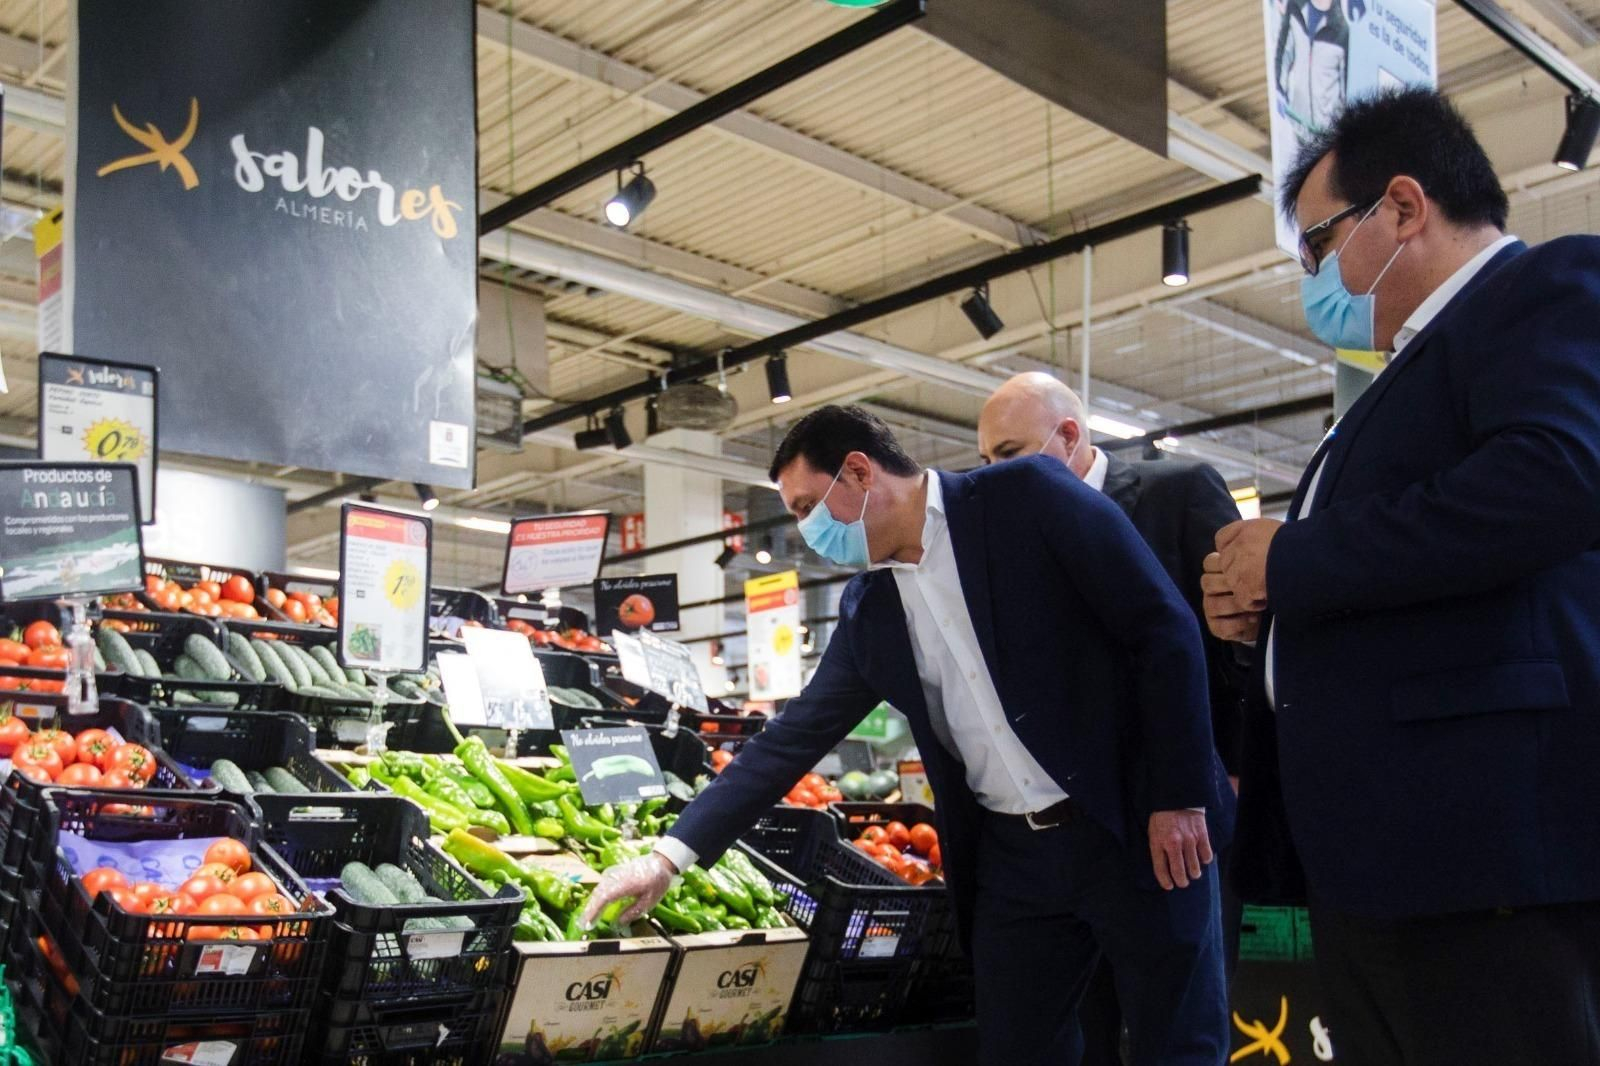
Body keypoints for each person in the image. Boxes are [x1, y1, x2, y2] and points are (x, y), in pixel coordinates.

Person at [586, 404, 1236, 1066]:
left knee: (1178, 1043)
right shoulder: (870, 610)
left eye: (808, 505)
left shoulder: (1026, 496)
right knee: (1018, 1049)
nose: (805, 529)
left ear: (859, 471)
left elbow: (1162, 628)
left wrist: (1178, 795)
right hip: (1015, 859)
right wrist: (668, 857)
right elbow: (791, 738)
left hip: (1134, 822)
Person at [1202, 87, 1600, 1065]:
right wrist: (1275, 614)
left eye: (1317, 244)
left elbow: (1551, 480)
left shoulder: (1541, 291)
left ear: (1405, 207)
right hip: (1383, 866)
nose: (1313, 279)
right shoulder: (1399, 382)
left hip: (1483, 856)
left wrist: (1292, 559)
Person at [978, 373, 1250, 1066]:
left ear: (1069, 435)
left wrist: (1225, 770)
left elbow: (1235, 640)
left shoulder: (1177, 492)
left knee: (1181, 1025)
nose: (994, 476)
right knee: (1092, 1025)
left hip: (1179, 809)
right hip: (1083, 827)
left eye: (1008, 454)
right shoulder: (1019, 534)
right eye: (985, 462)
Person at [1274, 0, 1348, 134]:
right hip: (1295, 123)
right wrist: (1280, 92)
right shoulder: (1295, 9)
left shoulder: (1342, 30)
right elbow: (1283, 54)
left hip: (1326, 134)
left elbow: (1345, 92)